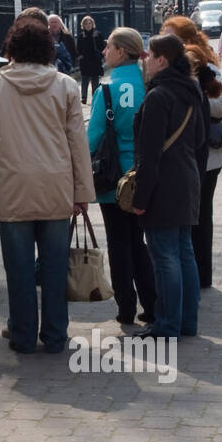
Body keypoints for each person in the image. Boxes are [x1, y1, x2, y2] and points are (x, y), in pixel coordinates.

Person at [0, 18, 93, 354]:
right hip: (56, 185)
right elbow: (77, 144)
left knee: (19, 267)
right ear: (47, 49)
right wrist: (82, 192)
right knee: (55, 267)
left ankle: (23, 333)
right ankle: (55, 335)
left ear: (12, 48)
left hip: (12, 184)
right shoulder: (66, 86)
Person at [131, 34, 206, 341]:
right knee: (184, 253)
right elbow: (201, 138)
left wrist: (140, 197)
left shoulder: (158, 96)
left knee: (165, 257)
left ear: (162, 60)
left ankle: (166, 325)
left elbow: (148, 155)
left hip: (162, 185)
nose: (144, 61)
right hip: (187, 180)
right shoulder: (191, 90)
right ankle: (187, 321)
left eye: (149, 56)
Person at [86, 27, 157, 324]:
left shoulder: (106, 89)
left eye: (108, 46)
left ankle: (125, 306)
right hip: (141, 175)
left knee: (117, 243)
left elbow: (93, 138)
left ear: (121, 52)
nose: (104, 52)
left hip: (112, 178)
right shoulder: (147, 85)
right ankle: (152, 303)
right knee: (138, 240)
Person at [161, 16, 222, 290]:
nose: (167, 39)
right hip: (182, 154)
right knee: (187, 215)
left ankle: (202, 274)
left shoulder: (206, 67)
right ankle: (188, 273)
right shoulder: (167, 69)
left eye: (172, 35)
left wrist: (193, 99)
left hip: (208, 156)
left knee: (201, 213)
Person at [75, 16, 106, 104]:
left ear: (93, 24)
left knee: (95, 80)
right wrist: (80, 56)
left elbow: (102, 46)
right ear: (83, 25)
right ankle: (84, 97)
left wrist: (100, 55)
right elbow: (78, 48)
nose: (88, 25)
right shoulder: (81, 36)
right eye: (86, 23)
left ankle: (95, 96)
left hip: (95, 60)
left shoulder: (98, 34)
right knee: (84, 80)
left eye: (89, 23)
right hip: (85, 61)